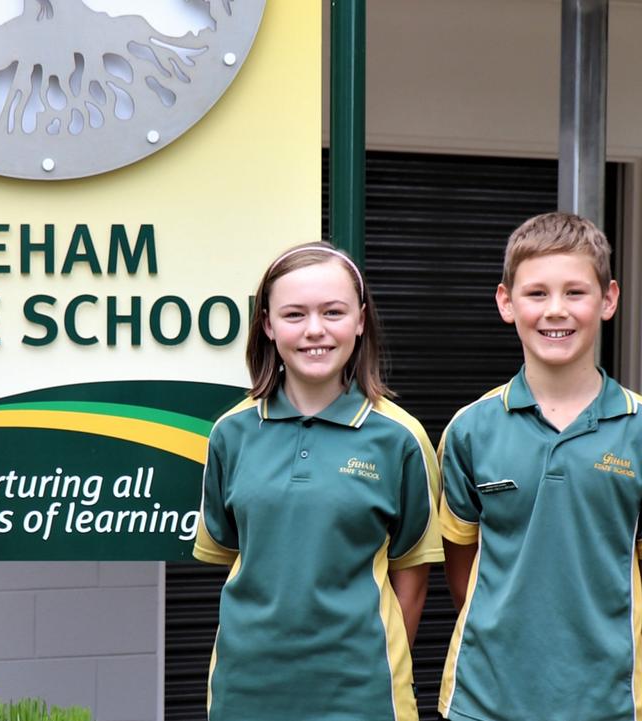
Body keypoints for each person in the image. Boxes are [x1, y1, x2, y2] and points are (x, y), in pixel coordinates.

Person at [192, 241, 442, 720]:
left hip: (363, 696)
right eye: (294, 314)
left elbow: (411, 574)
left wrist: (375, 666)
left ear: (361, 320)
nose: (314, 331)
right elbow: (229, 555)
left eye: (333, 312)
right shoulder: (232, 433)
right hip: (245, 691)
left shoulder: (399, 438)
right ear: (267, 324)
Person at [438, 212, 638, 721]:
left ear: (608, 299)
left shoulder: (638, 428)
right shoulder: (470, 429)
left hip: (609, 702)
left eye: (575, 292)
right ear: (506, 302)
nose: (556, 311)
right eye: (536, 294)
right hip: (484, 700)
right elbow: (462, 571)